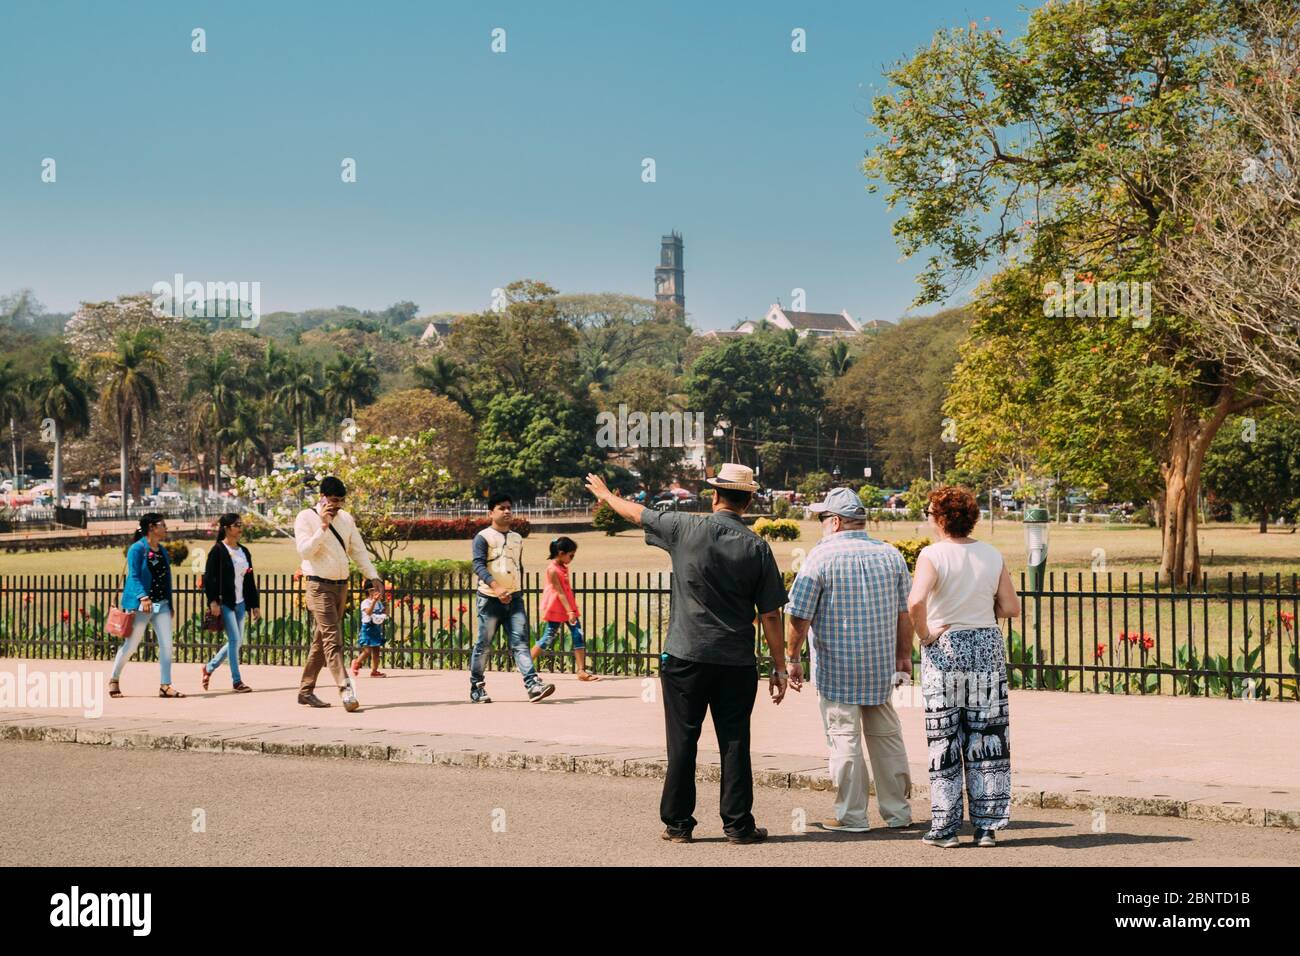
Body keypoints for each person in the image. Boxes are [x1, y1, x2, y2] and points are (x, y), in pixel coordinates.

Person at [585, 464, 788, 846]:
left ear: (714, 496)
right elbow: (772, 614)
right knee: (735, 742)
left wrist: (606, 495)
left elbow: (635, 513)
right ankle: (738, 825)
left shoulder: (684, 528)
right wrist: (779, 666)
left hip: (685, 654)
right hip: (735, 659)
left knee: (682, 740)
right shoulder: (757, 546)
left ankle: (679, 824)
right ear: (749, 501)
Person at [786, 487, 915, 833]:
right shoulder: (891, 555)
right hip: (880, 665)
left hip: (837, 666)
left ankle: (852, 816)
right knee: (887, 737)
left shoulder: (819, 557)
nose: (821, 525)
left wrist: (792, 657)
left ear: (837, 522)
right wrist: (904, 654)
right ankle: (898, 812)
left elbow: (799, 615)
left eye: (823, 518)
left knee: (844, 739)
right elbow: (906, 612)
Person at [908, 485, 1021, 848]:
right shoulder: (991, 554)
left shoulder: (932, 555)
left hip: (947, 648)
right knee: (987, 736)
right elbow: (1010, 607)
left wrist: (925, 634)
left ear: (940, 518)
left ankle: (945, 827)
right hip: (986, 646)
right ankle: (987, 825)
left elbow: (915, 602)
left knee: (945, 737)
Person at [293, 476, 384, 712]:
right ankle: (346, 691)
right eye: (333, 500)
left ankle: (305, 691)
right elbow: (305, 551)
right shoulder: (306, 517)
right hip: (318, 585)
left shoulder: (346, 519)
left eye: (341, 501)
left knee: (321, 640)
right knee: (333, 639)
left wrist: (373, 576)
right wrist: (322, 527)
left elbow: (359, 551)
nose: (337, 506)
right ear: (322, 497)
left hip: (341, 585)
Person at [469, 493, 556, 703]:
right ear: (491, 512)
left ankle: (532, 685)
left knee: (520, 643)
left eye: (509, 507)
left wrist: (515, 589)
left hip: (514, 599)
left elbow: (517, 566)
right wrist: (497, 587)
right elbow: (478, 565)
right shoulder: (483, 537)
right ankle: (477, 687)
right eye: (501, 508)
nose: (507, 511)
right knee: (484, 645)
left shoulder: (517, 538)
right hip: (490, 599)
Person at [109, 514, 183, 699]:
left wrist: (170, 603)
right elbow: (133, 576)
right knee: (132, 645)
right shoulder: (137, 549)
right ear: (152, 527)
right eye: (163, 525)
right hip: (142, 606)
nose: (166, 528)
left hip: (161, 605)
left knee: (167, 645)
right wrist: (143, 597)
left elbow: (165, 579)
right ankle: (114, 679)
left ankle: (165, 685)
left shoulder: (162, 551)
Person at [201, 512, 260, 693]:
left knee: (237, 641)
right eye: (236, 525)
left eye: (240, 524)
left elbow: (249, 580)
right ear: (226, 528)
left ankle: (209, 667)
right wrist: (212, 602)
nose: (240, 528)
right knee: (235, 639)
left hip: (241, 602)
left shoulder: (244, 552)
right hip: (225, 602)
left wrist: (254, 605)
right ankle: (237, 681)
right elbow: (209, 578)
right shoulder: (218, 551)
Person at [532, 536, 600, 681]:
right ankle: (526, 664)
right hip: (558, 608)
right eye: (571, 555)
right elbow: (559, 592)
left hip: (569, 607)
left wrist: (571, 609)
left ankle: (581, 671)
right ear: (561, 553)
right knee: (547, 638)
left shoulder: (563, 567)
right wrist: (570, 611)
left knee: (578, 635)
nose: (572, 558)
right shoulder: (552, 570)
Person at [351, 582, 388, 678]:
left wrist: (385, 604)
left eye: (377, 589)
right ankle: (357, 662)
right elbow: (368, 612)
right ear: (368, 591)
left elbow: (385, 612)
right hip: (367, 628)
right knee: (367, 650)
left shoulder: (379, 602)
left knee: (376, 650)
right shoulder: (365, 602)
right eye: (374, 589)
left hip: (376, 628)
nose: (376, 591)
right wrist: (374, 601)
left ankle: (374, 671)